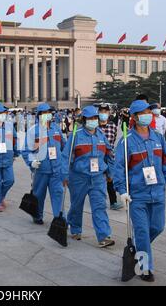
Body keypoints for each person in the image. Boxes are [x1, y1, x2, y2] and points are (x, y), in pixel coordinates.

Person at [114, 100, 166, 282]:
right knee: (141, 231)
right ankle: (145, 268)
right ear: (133, 117)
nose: (147, 114)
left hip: (157, 191)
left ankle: (141, 249)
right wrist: (122, 191)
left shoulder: (157, 137)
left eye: (149, 111)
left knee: (157, 227)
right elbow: (119, 168)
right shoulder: (126, 141)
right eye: (143, 112)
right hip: (137, 195)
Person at [61, 105, 115, 248]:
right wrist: (64, 175)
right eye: (90, 118)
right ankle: (75, 228)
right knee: (76, 205)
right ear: (84, 120)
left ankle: (103, 236)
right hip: (79, 177)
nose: (93, 120)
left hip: (98, 177)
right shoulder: (75, 135)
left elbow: (109, 154)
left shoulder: (101, 135)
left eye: (95, 118)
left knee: (99, 206)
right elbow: (65, 157)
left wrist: (110, 172)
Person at [23, 103, 66, 224]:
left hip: (56, 170)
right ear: (39, 115)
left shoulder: (56, 129)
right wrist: (31, 162)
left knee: (58, 194)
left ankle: (59, 219)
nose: (47, 115)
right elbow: (26, 150)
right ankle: (37, 216)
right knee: (39, 195)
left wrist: (64, 161)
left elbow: (64, 146)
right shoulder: (33, 131)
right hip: (41, 170)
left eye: (49, 113)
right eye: (44, 113)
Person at [98, 104, 123, 210]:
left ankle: (113, 202)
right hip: (97, 157)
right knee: (98, 180)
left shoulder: (113, 125)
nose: (104, 114)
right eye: (101, 111)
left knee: (110, 179)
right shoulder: (94, 126)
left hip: (109, 157)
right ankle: (99, 201)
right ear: (98, 113)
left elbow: (113, 140)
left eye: (106, 112)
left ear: (109, 113)